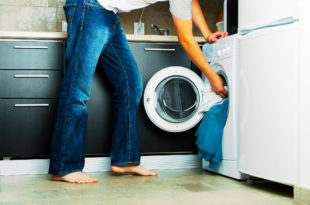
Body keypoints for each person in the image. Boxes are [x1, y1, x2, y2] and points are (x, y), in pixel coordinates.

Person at [49, 0, 229, 184]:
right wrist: (213, 77)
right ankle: (65, 166)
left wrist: (207, 34)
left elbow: (191, 2)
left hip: (108, 14)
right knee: (77, 88)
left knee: (130, 84)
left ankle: (125, 159)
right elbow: (185, 39)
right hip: (89, 7)